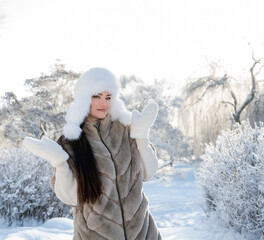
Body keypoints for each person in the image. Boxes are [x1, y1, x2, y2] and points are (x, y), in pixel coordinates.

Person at [22, 67, 162, 240]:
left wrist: (141, 137)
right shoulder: (71, 142)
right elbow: (71, 198)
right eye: (97, 96)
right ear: (83, 99)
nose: (103, 103)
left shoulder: (126, 130)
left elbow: (148, 173)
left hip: (143, 233)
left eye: (108, 97)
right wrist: (59, 163)